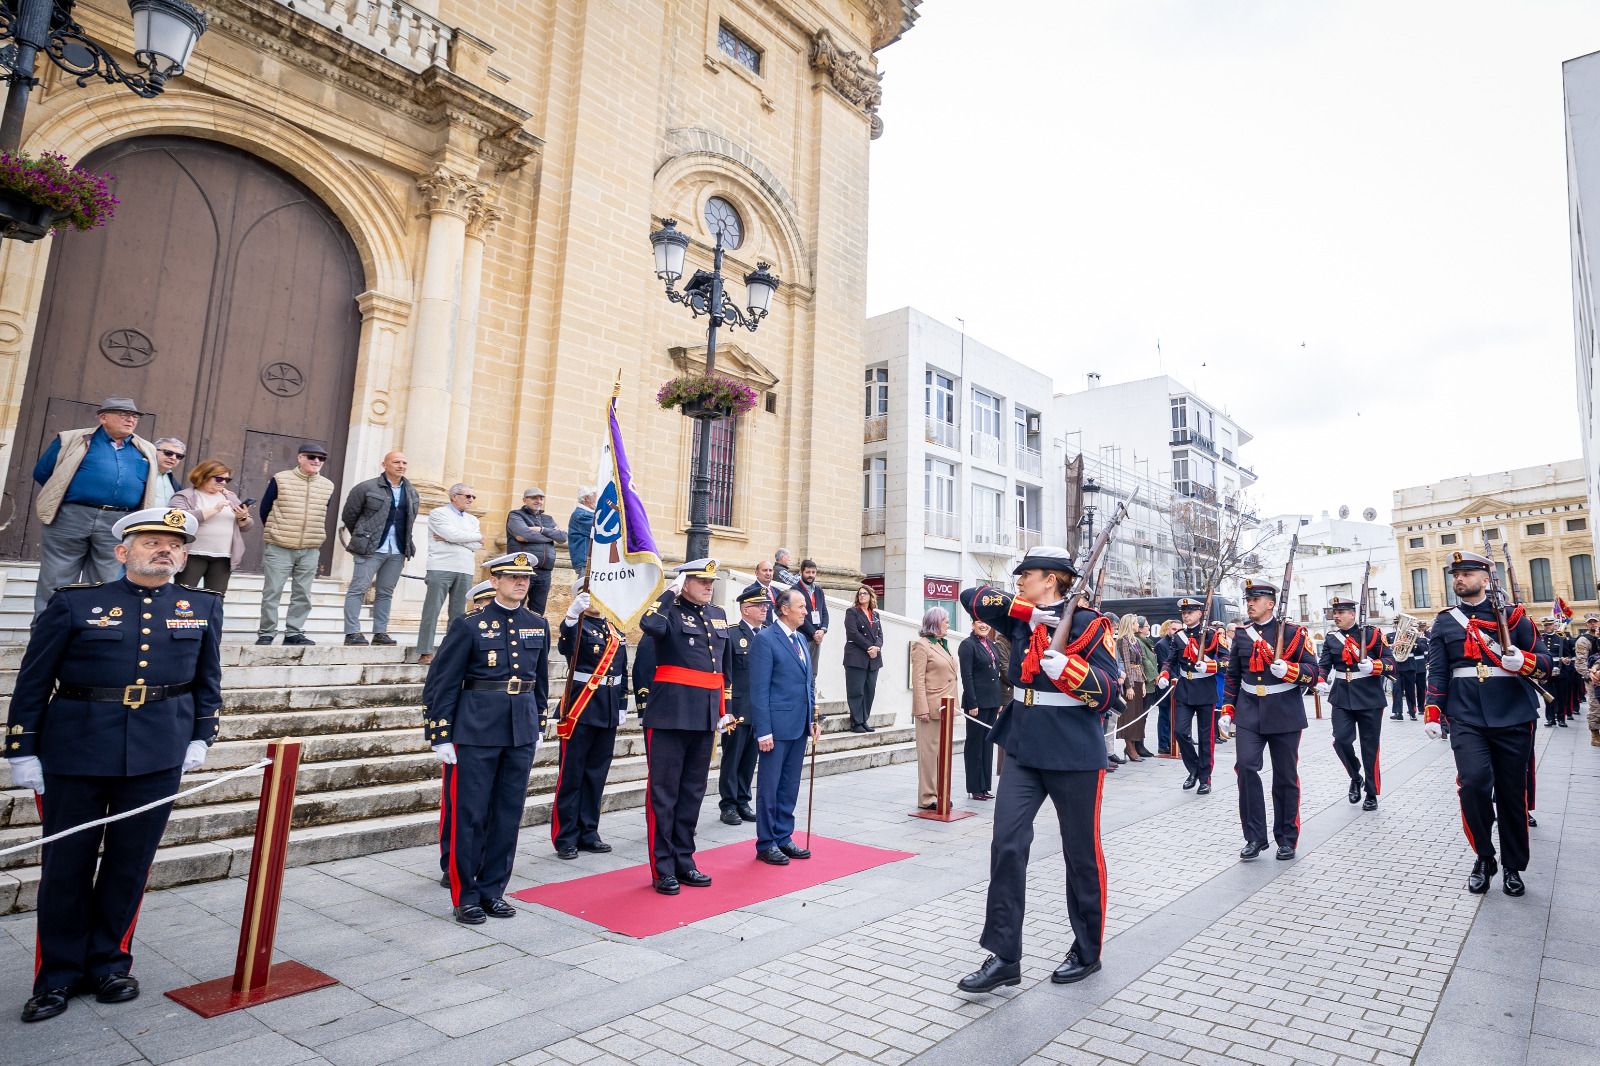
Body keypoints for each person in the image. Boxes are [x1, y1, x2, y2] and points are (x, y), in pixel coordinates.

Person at [7, 506, 221, 1023]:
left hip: (157, 754)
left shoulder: (201, 606)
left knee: (129, 865)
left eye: (173, 544)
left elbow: (206, 679)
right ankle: (56, 976)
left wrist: (201, 735)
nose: (163, 550)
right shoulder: (76, 605)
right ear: (122, 551)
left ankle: (109, 964)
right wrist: (23, 749)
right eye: (150, 542)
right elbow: (35, 680)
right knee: (66, 867)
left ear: (185, 554)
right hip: (76, 750)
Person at [956, 545, 1119, 994]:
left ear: (1051, 578)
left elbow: (1109, 691)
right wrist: (1031, 614)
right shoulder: (1020, 616)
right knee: (1007, 844)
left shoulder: (1091, 625)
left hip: (1073, 750)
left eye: (1025, 574)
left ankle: (1087, 951)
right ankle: (1005, 956)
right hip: (1024, 745)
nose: (1018, 580)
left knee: (1081, 853)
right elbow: (972, 596)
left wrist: (1070, 669)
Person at [424, 551, 549, 924]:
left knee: (508, 814)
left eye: (526, 579)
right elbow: (442, 682)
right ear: (495, 581)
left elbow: (539, 680)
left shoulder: (537, 624)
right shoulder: (470, 624)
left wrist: (538, 722)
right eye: (512, 577)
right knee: (470, 814)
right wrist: (440, 733)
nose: (520, 583)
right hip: (476, 729)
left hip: (520, 728)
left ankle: (494, 890)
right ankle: (467, 895)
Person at [1423, 550, 1549, 897]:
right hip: (1465, 716)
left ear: (1485, 578)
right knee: (1474, 785)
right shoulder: (1445, 622)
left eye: (1466, 573)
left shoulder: (1515, 617)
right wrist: (1433, 710)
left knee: (1512, 794)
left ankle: (1512, 866)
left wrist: (1523, 659)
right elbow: (1437, 671)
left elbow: (1546, 663)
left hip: (1512, 714)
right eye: (1455, 574)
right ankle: (1484, 856)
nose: (1459, 579)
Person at [638, 559, 736, 894]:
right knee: (664, 794)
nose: (709, 587)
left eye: (711, 582)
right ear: (684, 583)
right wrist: (667, 594)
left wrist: (726, 709)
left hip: (705, 715)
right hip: (670, 714)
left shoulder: (718, 614)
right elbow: (648, 625)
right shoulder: (669, 611)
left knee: (692, 793)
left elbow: (724, 668)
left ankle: (684, 859)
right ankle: (662, 866)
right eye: (701, 581)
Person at [30, 397, 163, 615]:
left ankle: (96, 635)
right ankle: (48, 636)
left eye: (134, 416)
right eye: (123, 415)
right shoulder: (71, 439)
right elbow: (44, 474)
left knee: (108, 582)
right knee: (56, 579)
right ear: (103, 417)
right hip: (70, 516)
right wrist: (77, 495)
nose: (130, 420)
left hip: (117, 522)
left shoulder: (145, 449)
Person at [1219, 579, 1319, 862]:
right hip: (1250, 710)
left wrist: (1289, 669)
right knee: (1247, 768)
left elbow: (1313, 672)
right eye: (1248, 599)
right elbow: (1233, 677)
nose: (1249, 603)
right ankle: (1254, 837)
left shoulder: (1293, 633)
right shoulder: (1241, 635)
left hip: (1285, 711)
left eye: (1255, 598)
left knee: (1285, 776)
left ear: (1271, 603)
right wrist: (1227, 710)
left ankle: (1286, 838)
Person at [551, 580, 628, 859]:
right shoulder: (578, 626)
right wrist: (571, 617)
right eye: (590, 595)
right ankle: (566, 836)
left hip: (606, 708)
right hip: (580, 709)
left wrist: (621, 703)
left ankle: (588, 831)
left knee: (596, 775)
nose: (596, 600)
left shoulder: (614, 629)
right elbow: (566, 648)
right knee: (572, 775)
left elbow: (622, 671)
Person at [431, 578, 497, 888]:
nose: (488, 610)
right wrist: (438, 729)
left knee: (491, 803)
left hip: (492, 725)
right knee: (457, 802)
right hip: (464, 724)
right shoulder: (465, 628)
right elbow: (439, 681)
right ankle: (451, 861)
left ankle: (481, 858)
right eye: (483, 604)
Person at [749, 588, 823, 864]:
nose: (806, 611)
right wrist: (764, 730)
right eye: (801, 606)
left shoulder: (802, 640)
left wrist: (814, 720)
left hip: (799, 725)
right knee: (770, 787)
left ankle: (783, 836)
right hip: (776, 729)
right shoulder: (766, 640)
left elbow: (809, 684)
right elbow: (759, 690)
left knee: (789, 786)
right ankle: (766, 842)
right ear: (783, 609)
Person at [1316, 597, 1393, 811]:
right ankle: (1355, 775)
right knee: (1341, 740)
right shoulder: (1332, 639)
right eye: (1335, 612)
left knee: (1370, 746)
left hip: (1369, 697)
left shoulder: (1372, 634)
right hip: (1342, 696)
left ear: (1352, 614)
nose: (1336, 616)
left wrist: (1375, 666)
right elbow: (1323, 666)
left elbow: (1391, 662)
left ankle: (1371, 792)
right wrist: (1320, 679)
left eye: (1341, 612)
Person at [255, 441, 335, 646]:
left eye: (321, 458)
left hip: (310, 548)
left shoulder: (328, 486)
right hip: (279, 545)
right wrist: (277, 531)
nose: (317, 461)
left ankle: (294, 633)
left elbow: (323, 513)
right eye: (311, 457)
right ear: (300, 458)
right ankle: (267, 632)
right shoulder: (280, 479)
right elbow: (264, 510)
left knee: (303, 594)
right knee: (272, 591)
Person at [340, 451, 418, 646]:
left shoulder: (411, 491)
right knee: (358, 589)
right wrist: (363, 535)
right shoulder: (366, 487)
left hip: (397, 550)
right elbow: (350, 515)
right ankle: (352, 633)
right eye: (396, 462)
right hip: (370, 548)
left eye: (404, 462)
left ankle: (380, 633)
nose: (401, 465)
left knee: (385, 592)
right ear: (384, 464)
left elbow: (410, 520)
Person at [1155, 597, 1220, 794]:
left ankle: (1205, 778)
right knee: (1180, 732)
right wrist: (1164, 673)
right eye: (1184, 613)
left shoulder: (1211, 635)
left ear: (1200, 614)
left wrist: (1209, 665)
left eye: (1190, 612)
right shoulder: (1179, 636)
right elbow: (1169, 660)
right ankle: (1193, 769)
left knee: (1205, 737)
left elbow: (1226, 660)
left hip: (1205, 689)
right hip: (1184, 688)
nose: (1186, 615)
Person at [415, 484, 484, 664]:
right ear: (454, 496)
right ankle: (425, 650)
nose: (471, 500)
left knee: (459, 614)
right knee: (432, 609)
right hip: (441, 565)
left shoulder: (473, 520)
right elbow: (451, 534)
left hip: (465, 568)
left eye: (473, 497)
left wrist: (452, 538)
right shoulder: (439, 513)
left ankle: (452, 651)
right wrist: (459, 537)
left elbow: (477, 544)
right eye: (467, 496)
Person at [719, 588, 768, 825]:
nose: (765, 609)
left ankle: (743, 800)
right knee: (733, 757)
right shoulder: (731, 635)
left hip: (759, 710)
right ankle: (728, 804)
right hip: (737, 708)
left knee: (750, 758)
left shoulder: (767, 635)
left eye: (766, 605)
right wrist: (725, 709)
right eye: (760, 605)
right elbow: (724, 675)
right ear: (745, 609)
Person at [170, 459, 252, 594]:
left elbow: (247, 526)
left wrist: (242, 517)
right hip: (193, 554)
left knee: (216, 598)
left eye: (227, 480)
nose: (223, 483)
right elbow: (179, 519)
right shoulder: (185, 496)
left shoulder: (230, 497)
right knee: (183, 595)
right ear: (203, 476)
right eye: (219, 479)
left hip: (223, 557)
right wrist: (214, 509)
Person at [910, 607, 958, 810]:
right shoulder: (922, 646)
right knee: (929, 754)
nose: (948, 624)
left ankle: (941, 792)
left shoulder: (942, 644)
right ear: (935, 623)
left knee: (942, 754)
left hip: (946, 707)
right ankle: (928, 796)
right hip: (931, 708)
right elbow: (918, 680)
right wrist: (921, 708)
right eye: (945, 621)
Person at [960, 619, 1004, 800]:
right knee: (974, 745)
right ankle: (974, 787)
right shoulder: (967, 645)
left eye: (986, 623)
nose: (984, 625)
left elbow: (997, 673)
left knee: (987, 745)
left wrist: (999, 699)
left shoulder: (992, 645)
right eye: (979, 622)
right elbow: (966, 676)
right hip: (977, 703)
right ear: (972, 625)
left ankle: (985, 786)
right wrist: (972, 703)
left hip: (992, 701)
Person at [505, 488, 567, 615]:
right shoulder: (516, 515)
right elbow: (523, 535)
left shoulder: (548, 519)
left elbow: (562, 537)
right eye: (534, 498)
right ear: (524, 500)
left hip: (545, 571)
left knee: (538, 611)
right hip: (522, 569)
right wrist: (550, 536)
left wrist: (540, 529)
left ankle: (535, 634)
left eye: (541, 498)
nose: (538, 501)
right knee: (515, 606)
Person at [843, 585, 884, 733]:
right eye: (859, 594)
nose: (861, 596)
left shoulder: (875, 615)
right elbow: (853, 633)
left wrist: (877, 648)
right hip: (856, 657)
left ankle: (864, 720)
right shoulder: (852, 612)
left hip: (873, 659)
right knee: (856, 690)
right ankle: (856, 722)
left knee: (869, 690)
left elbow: (880, 635)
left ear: (871, 596)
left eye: (864, 593)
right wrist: (870, 648)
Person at [1115, 615, 1152, 762]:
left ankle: (1133, 747)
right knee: (1129, 715)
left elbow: (1140, 663)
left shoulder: (1135, 641)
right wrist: (1128, 686)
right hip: (1129, 681)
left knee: (1137, 715)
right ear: (1130, 625)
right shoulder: (1123, 641)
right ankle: (1129, 747)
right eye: (1136, 623)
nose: (1138, 625)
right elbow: (1125, 664)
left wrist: (1142, 683)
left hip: (1138, 679)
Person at [795, 559, 829, 686]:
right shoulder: (795, 590)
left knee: (813, 672)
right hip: (803, 636)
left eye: (813, 572)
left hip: (817, 638)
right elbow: (798, 614)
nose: (811, 575)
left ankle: (812, 700)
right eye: (808, 572)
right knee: (801, 670)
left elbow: (824, 612)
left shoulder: (818, 590)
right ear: (801, 572)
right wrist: (814, 632)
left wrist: (823, 630)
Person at [1154, 619, 1181, 754]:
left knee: (1175, 715)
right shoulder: (1161, 644)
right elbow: (1166, 664)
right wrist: (1178, 678)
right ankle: (1163, 744)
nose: (1175, 632)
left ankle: (1174, 742)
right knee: (1165, 715)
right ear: (1168, 629)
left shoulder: (1180, 642)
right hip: (1166, 685)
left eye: (1178, 629)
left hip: (1178, 684)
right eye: (1173, 629)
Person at [1540, 618, 1568, 728]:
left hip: (1559, 671)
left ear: (1554, 625)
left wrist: (1567, 659)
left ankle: (1561, 719)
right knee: (1547, 696)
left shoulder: (1561, 639)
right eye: (1546, 625)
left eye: (1550, 625)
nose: (1547, 627)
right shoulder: (1540, 639)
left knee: (1561, 697)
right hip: (1546, 672)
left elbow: (1568, 654)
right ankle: (1550, 719)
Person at [741, 559, 781, 625]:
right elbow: (752, 615)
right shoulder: (750, 591)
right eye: (764, 570)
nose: (768, 573)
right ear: (756, 573)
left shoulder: (778, 591)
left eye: (770, 570)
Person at [567, 487, 597, 575]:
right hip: (586, 561)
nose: (598, 498)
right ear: (586, 498)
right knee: (586, 587)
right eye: (595, 496)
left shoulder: (587, 513)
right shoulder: (581, 515)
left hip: (591, 561)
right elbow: (599, 529)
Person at [150, 437, 185, 505]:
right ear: (154, 451)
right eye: (168, 453)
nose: (173, 458)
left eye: (179, 456)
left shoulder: (173, 480)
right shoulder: (141, 473)